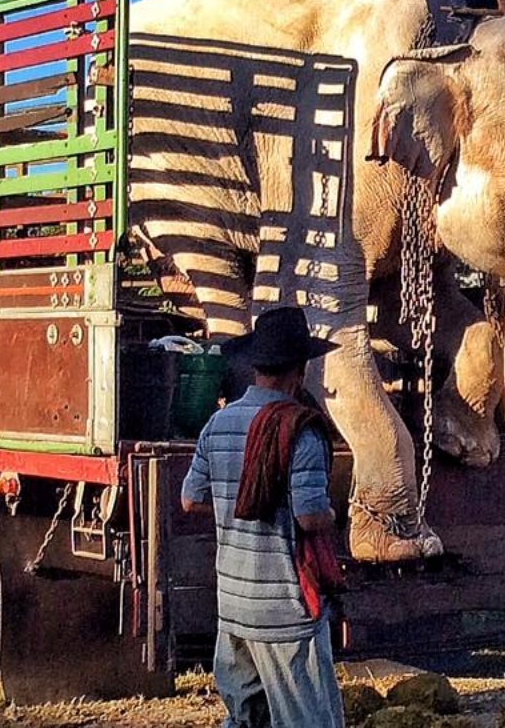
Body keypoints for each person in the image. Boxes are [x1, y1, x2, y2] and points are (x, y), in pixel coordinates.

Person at [181, 306, 345, 728]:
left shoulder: (217, 424)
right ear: (300, 370)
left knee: (244, 720)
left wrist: (237, 502)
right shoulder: (300, 430)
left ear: (256, 365)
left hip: (234, 609)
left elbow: (190, 500)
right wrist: (333, 513)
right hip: (286, 613)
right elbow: (309, 518)